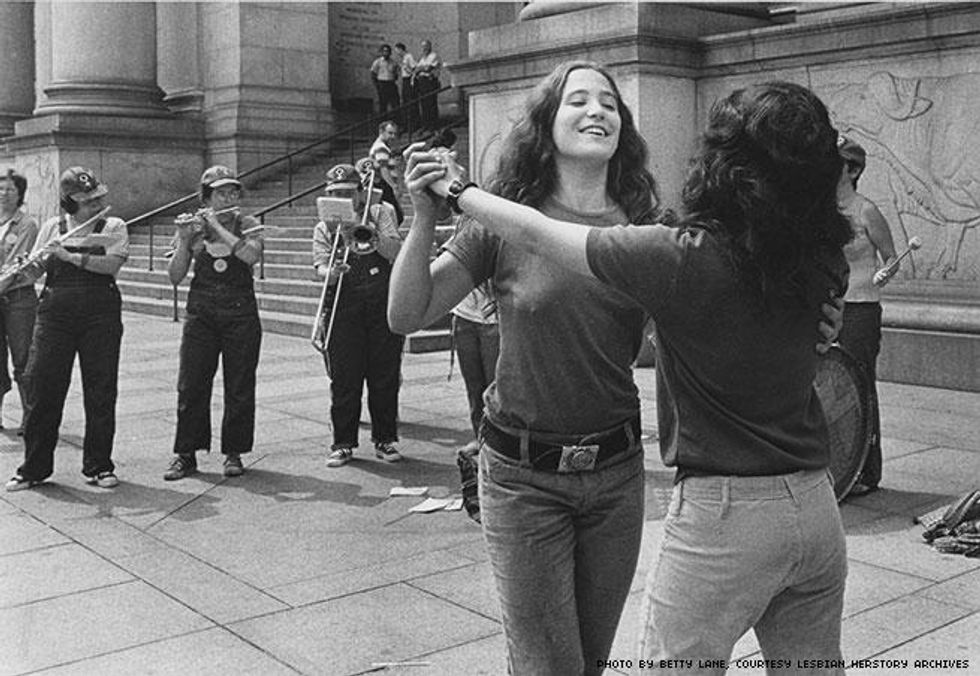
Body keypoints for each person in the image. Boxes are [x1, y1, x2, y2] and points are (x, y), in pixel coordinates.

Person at [403, 76, 852, 673]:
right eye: (578, 99)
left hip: (683, 501)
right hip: (813, 508)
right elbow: (410, 309)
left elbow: (542, 238)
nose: (597, 111)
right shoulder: (816, 257)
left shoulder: (671, 247)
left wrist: (459, 189)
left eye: (610, 101)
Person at [6, 167, 129, 491]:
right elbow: (36, 272)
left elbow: (111, 265)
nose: (95, 205)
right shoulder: (53, 227)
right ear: (69, 202)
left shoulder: (113, 226)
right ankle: (33, 468)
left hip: (100, 313)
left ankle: (99, 466)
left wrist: (70, 256)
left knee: (101, 390)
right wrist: (23, 270)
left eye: (97, 198)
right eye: (87, 201)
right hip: (55, 314)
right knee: (42, 387)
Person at [163, 166, 264, 481]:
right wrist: (183, 241)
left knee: (239, 384)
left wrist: (218, 227)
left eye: (233, 192)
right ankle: (186, 454)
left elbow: (250, 257)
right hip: (202, 312)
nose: (229, 197)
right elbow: (175, 276)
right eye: (221, 193)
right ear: (206, 197)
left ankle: (233, 452)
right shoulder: (193, 229)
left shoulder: (247, 223)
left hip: (240, 311)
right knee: (191, 384)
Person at [314, 163, 404, 468]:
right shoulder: (322, 227)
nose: (342, 198)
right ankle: (342, 443)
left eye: (347, 193)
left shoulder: (381, 213)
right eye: (335, 194)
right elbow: (319, 267)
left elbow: (395, 251)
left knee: (384, 373)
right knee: (344, 377)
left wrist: (369, 232)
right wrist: (333, 271)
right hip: (343, 302)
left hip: (380, 300)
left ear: (360, 193)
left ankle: (385, 438)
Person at [837, 135, 899, 497]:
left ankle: (865, 470)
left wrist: (887, 273)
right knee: (830, 386)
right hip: (827, 305)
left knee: (859, 386)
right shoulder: (820, 210)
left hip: (861, 307)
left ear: (853, 169)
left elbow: (891, 257)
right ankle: (838, 466)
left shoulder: (866, 210)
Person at [450, 284, 498, 524]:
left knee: (493, 390)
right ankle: (479, 439)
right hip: (465, 314)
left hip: (494, 317)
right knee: (474, 388)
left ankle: (494, 447)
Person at [0, 169, 39, 434]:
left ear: (20, 194)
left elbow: (16, 264)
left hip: (18, 299)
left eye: (10, 190)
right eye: (0, 190)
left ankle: (30, 417)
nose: (4, 195)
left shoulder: (26, 224)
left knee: (23, 358)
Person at [369, 120, 405, 225]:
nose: (393, 136)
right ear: (381, 132)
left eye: (394, 133)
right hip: (383, 185)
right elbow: (383, 169)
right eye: (390, 133)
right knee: (396, 216)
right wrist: (394, 186)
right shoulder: (381, 148)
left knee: (394, 215)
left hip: (383, 185)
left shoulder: (381, 147)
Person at [413, 39, 441, 132]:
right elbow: (417, 69)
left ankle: (433, 125)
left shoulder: (434, 56)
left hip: (430, 81)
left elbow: (428, 68)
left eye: (426, 46)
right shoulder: (422, 58)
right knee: (424, 103)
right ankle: (426, 124)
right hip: (422, 82)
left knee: (431, 103)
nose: (424, 48)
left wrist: (421, 69)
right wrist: (421, 68)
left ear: (430, 46)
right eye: (423, 46)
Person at [369, 43, 401, 118]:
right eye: (384, 51)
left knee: (395, 103)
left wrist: (393, 79)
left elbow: (396, 73)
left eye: (387, 51)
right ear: (381, 52)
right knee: (383, 104)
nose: (386, 53)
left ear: (390, 53)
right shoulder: (378, 62)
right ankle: (383, 121)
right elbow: (373, 73)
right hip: (382, 84)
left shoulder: (393, 62)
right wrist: (377, 86)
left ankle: (396, 121)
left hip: (391, 84)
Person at [394, 42, 419, 131]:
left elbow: (414, 67)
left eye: (397, 51)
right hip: (405, 80)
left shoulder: (409, 56)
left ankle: (414, 124)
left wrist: (410, 74)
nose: (397, 53)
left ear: (401, 49)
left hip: (409, 80)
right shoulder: (404, 58)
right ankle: (407, 124)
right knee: (405, 102)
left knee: (410, 101)